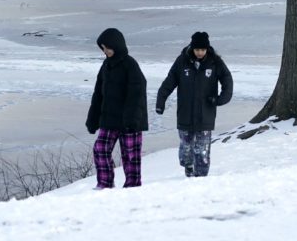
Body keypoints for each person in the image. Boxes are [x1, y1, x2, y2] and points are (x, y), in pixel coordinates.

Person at [155, 31, 233, 177]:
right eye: (197, 49)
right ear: (192, 48)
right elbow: (169, 81)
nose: (200, 53)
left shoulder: (215, 62)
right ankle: (188, 167)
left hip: (206, 114)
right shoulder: (182, 61)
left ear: (207, 49)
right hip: (185, 114)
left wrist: (219, 99)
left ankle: (201, 179)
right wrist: (161, 101)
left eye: (202, 50)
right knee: (187, 148)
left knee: (202, 150)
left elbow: (227, 80)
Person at [86, 28, 148, 188]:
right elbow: (98, 93)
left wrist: (132, 119)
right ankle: (105, 184)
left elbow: (137, 94)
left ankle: (132, 186)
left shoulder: (130, 65)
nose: (105, 51)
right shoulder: (106, 65)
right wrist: (92, 119)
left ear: (117, 45)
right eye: (103, 48)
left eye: (107, 47)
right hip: (109, 119)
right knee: (100, 149)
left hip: (130, 120)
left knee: (130, 156)